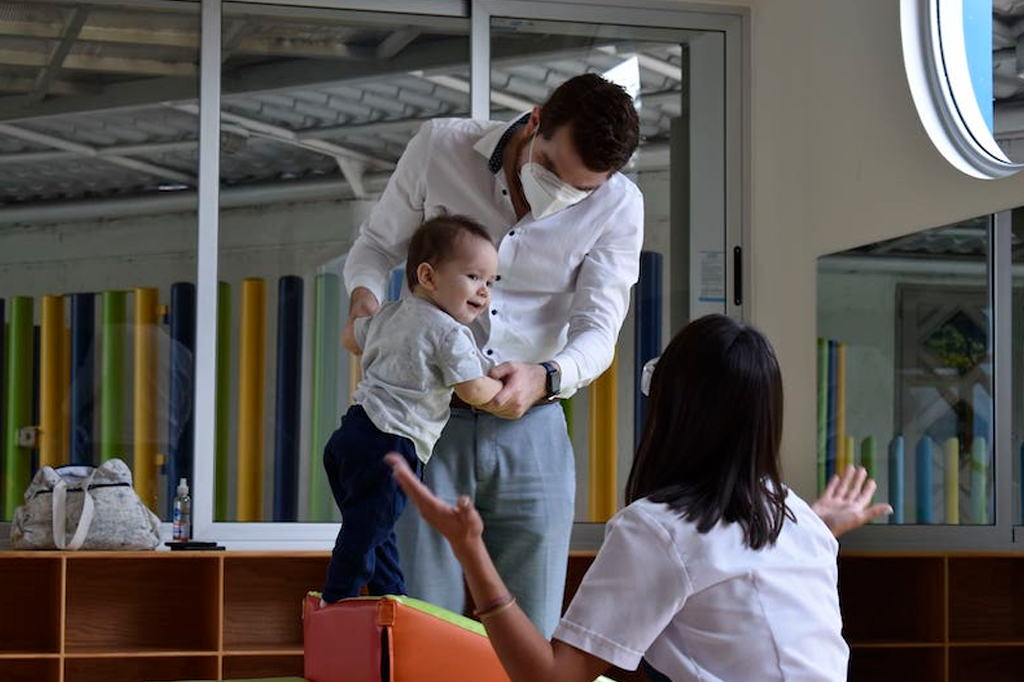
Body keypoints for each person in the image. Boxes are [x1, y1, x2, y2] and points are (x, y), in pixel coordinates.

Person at [387, 315, 892, 682]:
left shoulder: (659, 528)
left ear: (674, 407)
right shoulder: (790, 513)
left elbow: (552, 679)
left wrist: (470, 549)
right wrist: (816, 523)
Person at [342, 73, 644, 635]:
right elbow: (377, 244)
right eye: (552, 170)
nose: (559, 195)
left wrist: (548, 376)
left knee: (528, 630)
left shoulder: (619, 205)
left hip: (534, 425)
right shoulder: (440, 147)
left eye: (580, 189)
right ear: (534, 122)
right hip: (419, 421)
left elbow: (599, 328)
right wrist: (363, 298)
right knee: (417, 623)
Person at [319, 215, 503, 604]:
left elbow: (351, 337)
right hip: (392, 446)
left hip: (352, 435)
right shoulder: (451, 333)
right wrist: (498, 385)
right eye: (473, 277)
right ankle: (334, 605)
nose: (484, 292)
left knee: (376, 531)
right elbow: (472, 390)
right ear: (428, 276)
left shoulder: (389, 314)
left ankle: (394, 599)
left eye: (490, 282)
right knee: (362, 539)